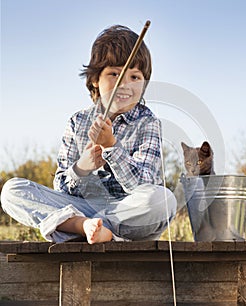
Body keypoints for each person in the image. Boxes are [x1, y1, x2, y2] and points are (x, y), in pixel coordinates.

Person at [1, 25, 177, 244]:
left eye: (135, 77)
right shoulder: (78, 122)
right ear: (95, 79)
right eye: (115, 74)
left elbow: (143, 185)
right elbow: (61, 188)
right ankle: (83, 227)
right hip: (81, 208)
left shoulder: (148, 123)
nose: (125, 84)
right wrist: (81, 168)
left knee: (163, 200)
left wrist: (112, 146)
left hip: (127, 212)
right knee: (12, 191)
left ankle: (95, 229)